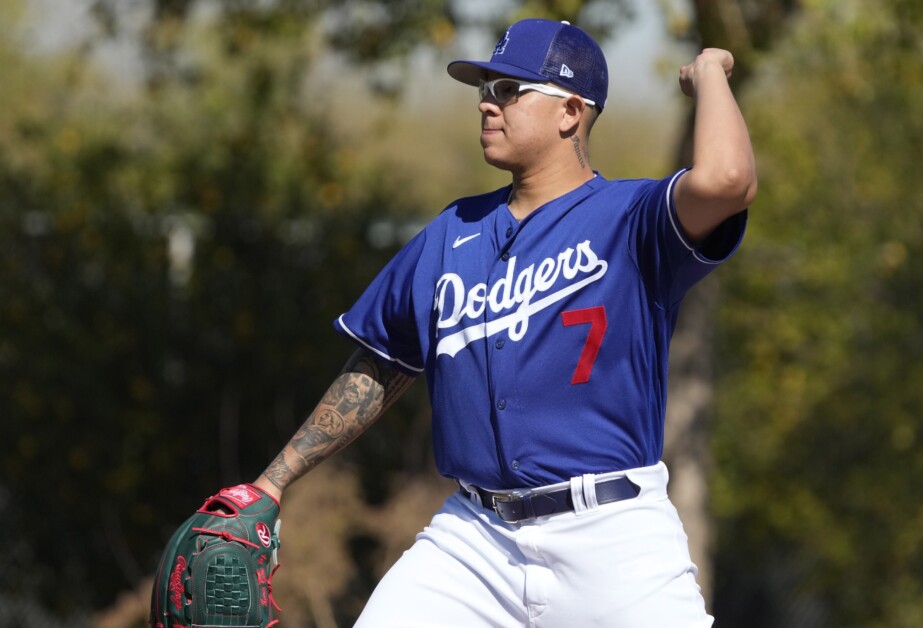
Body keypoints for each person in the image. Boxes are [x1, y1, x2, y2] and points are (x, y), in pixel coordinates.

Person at [254, 17, 756, 627]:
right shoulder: (451, 232)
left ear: (571, 111)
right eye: (485, 89)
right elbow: (382, 365)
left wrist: (709, 75)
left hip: (612, 535)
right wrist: (272, 483)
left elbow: (728, 181)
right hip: (475, 539)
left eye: (509, 91)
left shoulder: (633, 219)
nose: (487, 105)